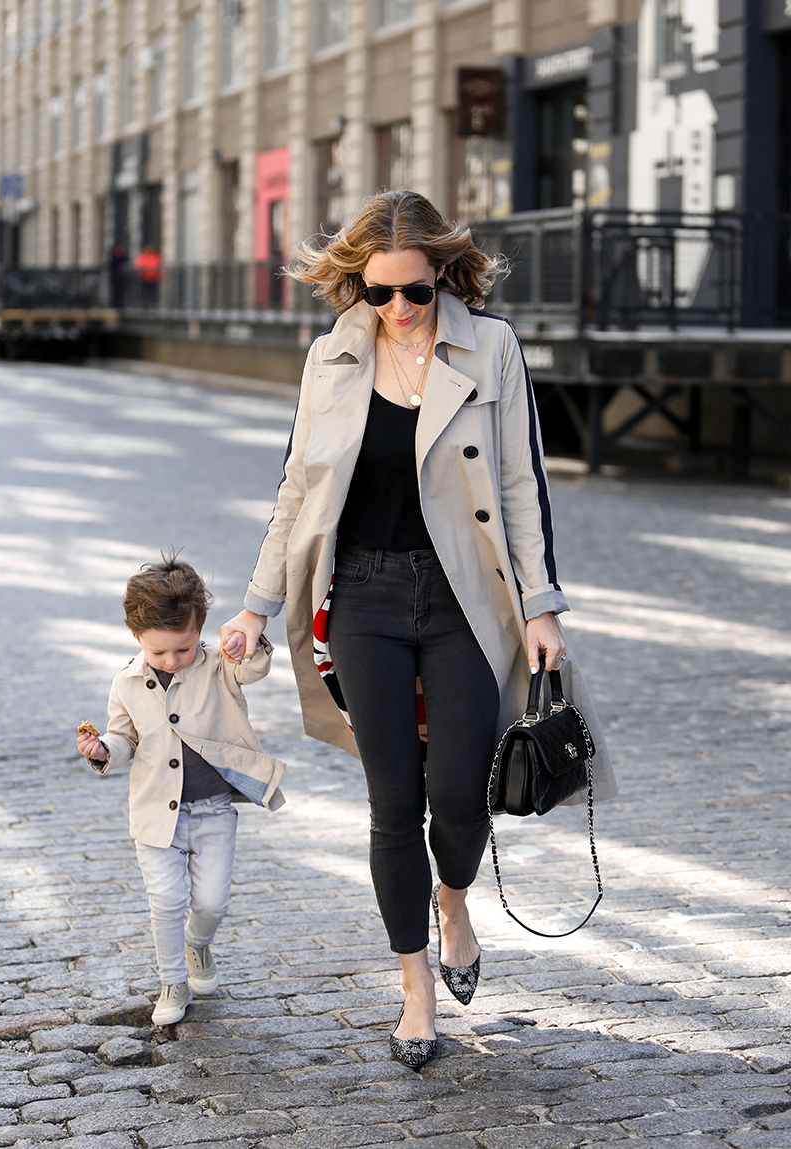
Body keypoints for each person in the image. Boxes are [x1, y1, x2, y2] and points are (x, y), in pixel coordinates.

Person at [220, 189, 616, 1067]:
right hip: (360, 596)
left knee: (461, 797)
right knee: (393, 803)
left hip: (464, 599)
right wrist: (251, 603)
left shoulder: (493, 346)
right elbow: (297, 491)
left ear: (443, 273)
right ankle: (414, 988)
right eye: (378, 293)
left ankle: (455, 898)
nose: (398, 310)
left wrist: (542, 604)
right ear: (356, 287)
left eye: (414, 291)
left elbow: (520, 483)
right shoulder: (331, 359)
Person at [77, 552, 285, 1026]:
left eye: (183, 649)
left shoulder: (219, 666)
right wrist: (103, 750)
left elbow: (253, 669)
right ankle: (172, 980)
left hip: (213, 810)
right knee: (165, 900)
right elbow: (124, 736)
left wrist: (246, 643)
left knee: (212, 902)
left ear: (200, 631)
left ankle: (198, 945)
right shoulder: (127, 681)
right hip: (156, 811)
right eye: (159, 652)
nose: (172, 659)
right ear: (137, 638)